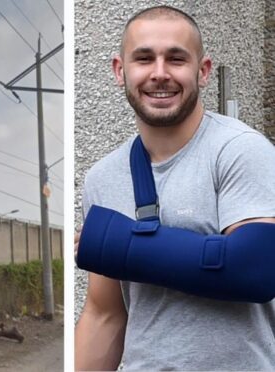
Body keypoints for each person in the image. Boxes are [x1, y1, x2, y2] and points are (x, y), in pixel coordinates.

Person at [74, 5, 275, 371]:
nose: (160, 73)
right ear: (121, 71)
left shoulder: (241, 150)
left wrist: (120, 245)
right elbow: (104, 314)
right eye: (145, 59)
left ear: (203, 71)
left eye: (176, 59)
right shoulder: (101, 178)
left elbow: (256, 268)